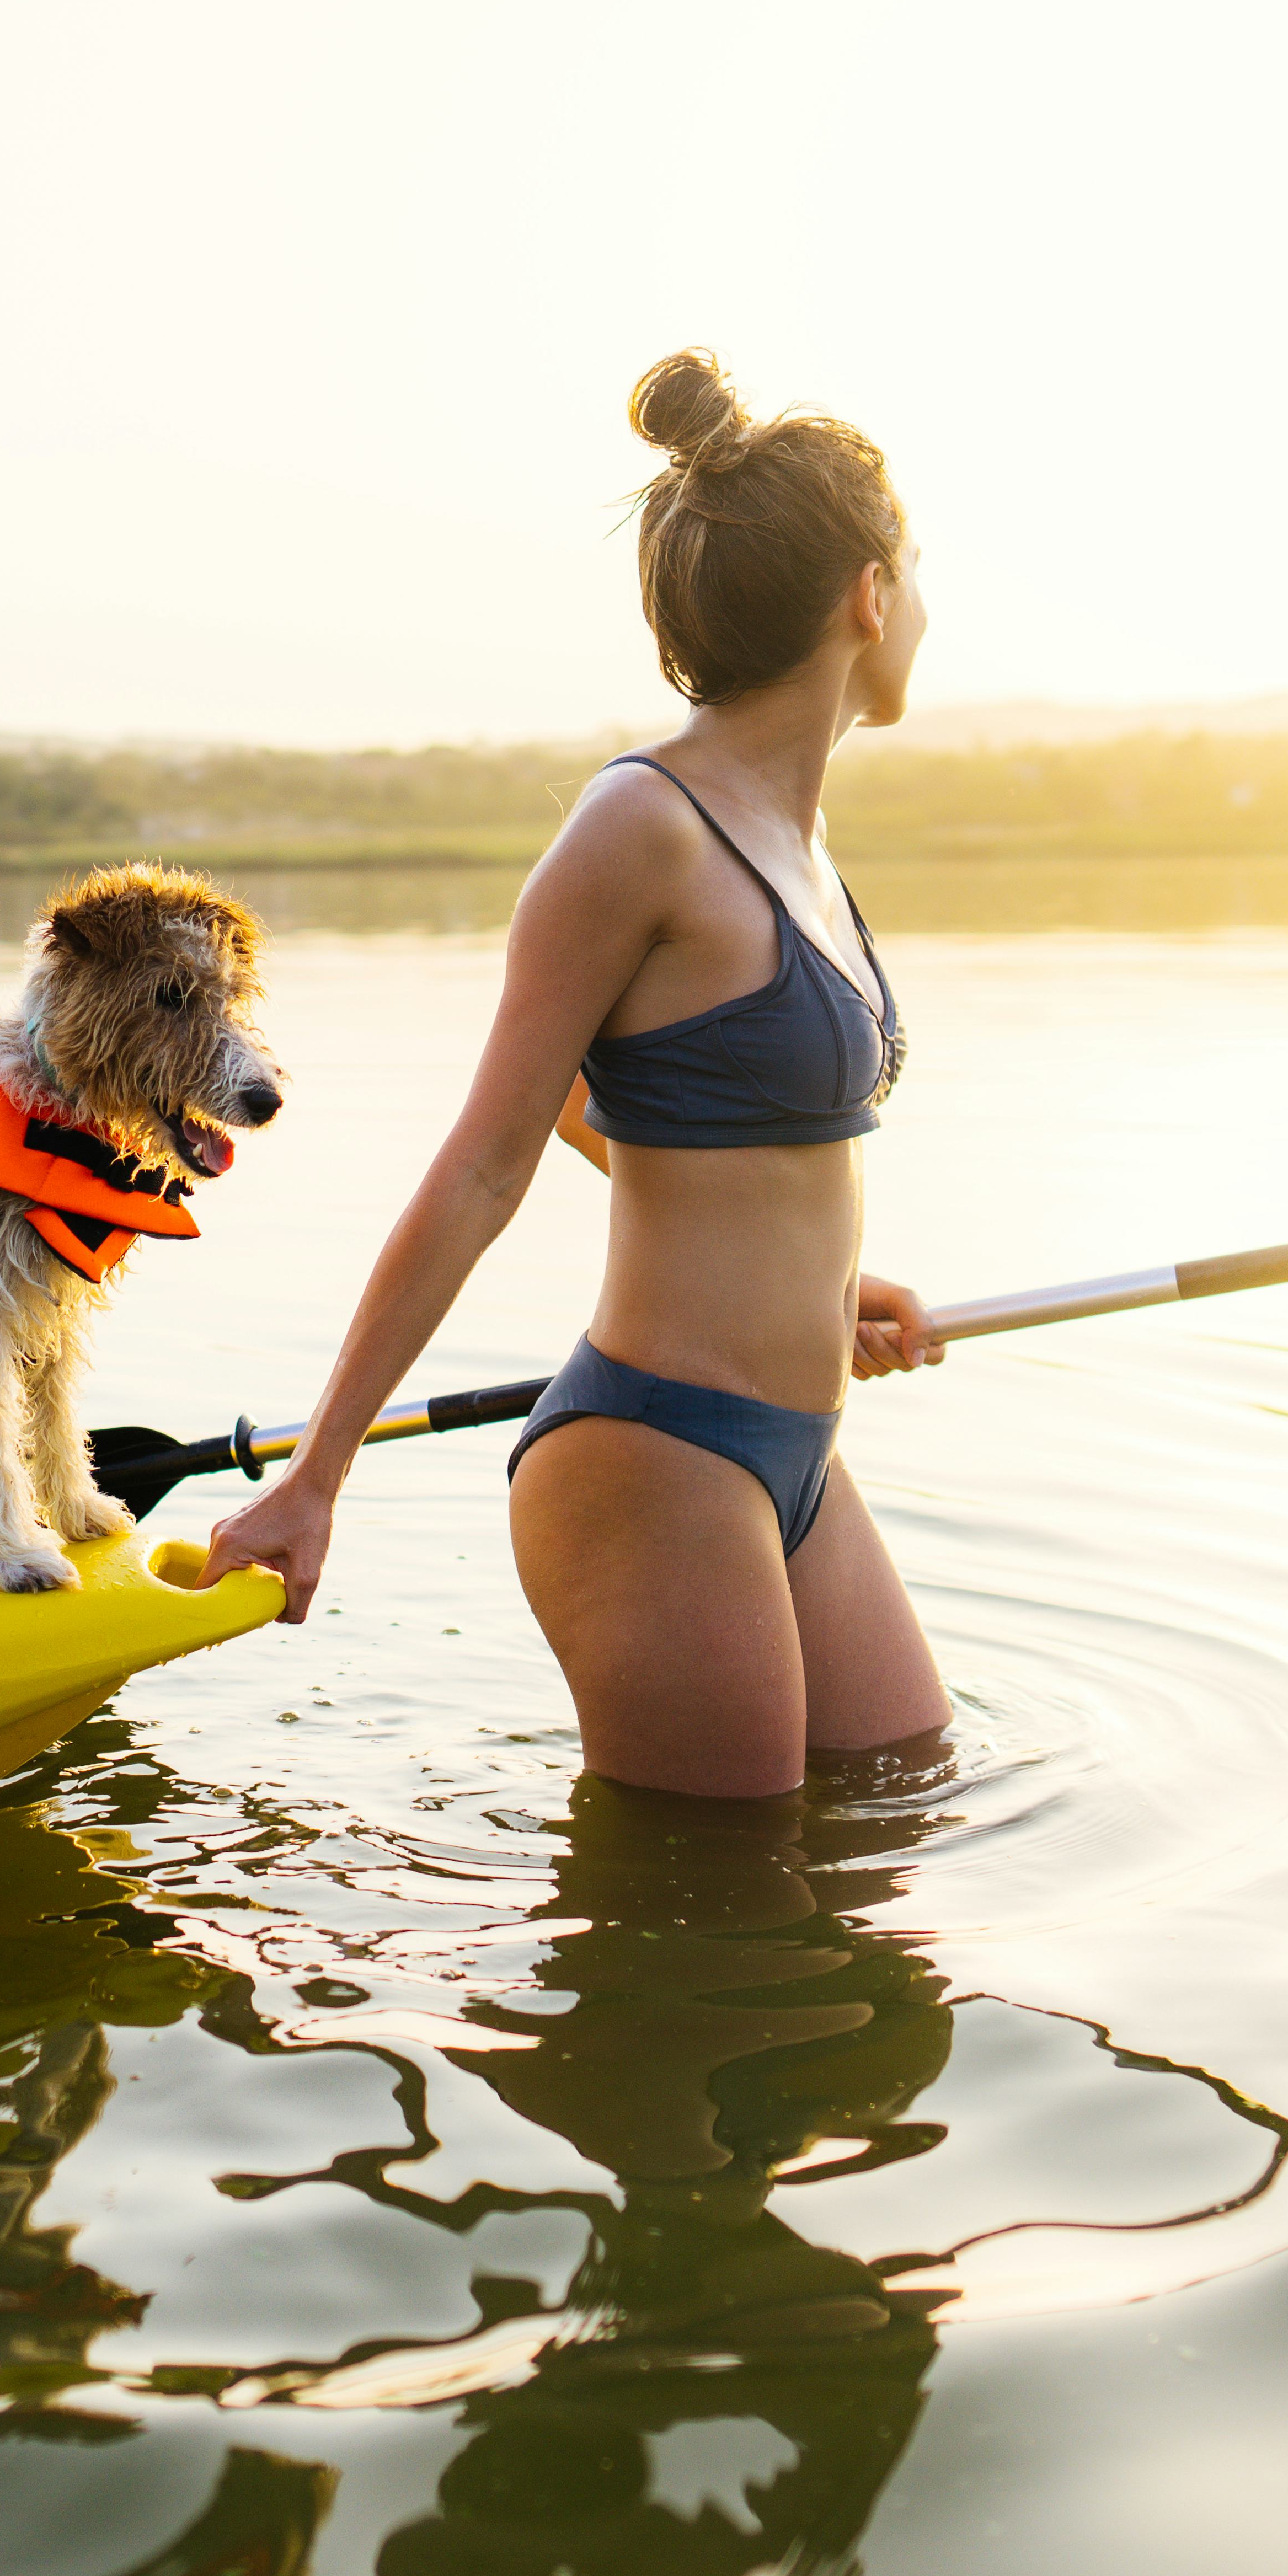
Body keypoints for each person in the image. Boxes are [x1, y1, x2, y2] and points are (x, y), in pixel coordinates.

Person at [183, 350, 952, 1797]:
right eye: (913, 573)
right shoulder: (640, 828)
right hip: (660, 1456)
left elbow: (668, 1117)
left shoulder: (805, 848)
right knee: (712, 1921)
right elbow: (491, 1154)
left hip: (798, 1451)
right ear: (866, 595)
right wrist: (317, 1474)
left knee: (901, 1787)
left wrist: (818, 1289)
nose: (923, 607)